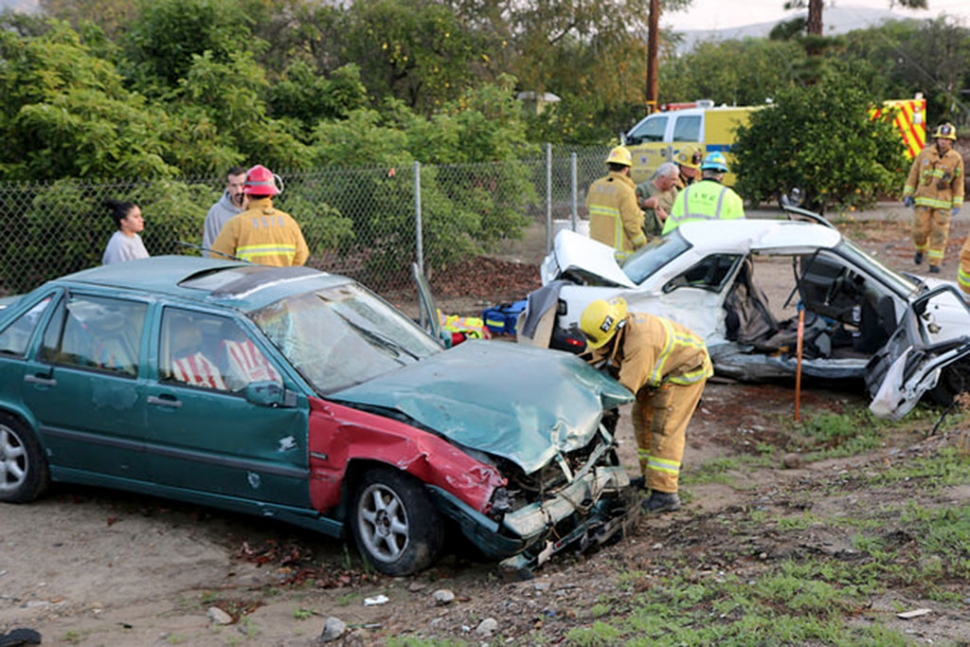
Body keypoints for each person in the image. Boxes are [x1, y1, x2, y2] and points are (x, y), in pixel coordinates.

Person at [580, 297, 711, 514]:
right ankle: (651, 477)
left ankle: (665, 494)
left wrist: (594, 408)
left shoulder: (641, 343)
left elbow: (625, 390)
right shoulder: (616, 329)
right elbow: (596, 355)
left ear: (616, 330)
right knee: (642, 419)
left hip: (685, 370)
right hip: (661, 371)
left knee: (665, 428)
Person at [211, 164, 310, 267]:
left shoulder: (236, 224)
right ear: (271, 194)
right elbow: (301, 255)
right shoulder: (289, 222)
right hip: (282, 281)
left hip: (248, 282)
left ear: (247, 194)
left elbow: (217, 257)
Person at [905, 122, 964, 275]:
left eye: (947, 139)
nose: (943, 142)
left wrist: (957, 202)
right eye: (941, 138)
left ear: (952, 141)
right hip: (923, 199)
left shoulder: (956, 159)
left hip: (944, 203)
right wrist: (908, 194)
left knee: (939, 234)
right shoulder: (924, 154)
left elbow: (958, 182)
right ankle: (920, 249)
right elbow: (913, 175)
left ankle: (934, 263)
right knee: (919, 231)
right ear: (936, 139)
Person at [662, 151, 745, 235]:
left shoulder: (685, 193)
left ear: (702, 172)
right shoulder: (732, 198)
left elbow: (670, 229)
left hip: (689, 245)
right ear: (722, 176)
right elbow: (739, 232)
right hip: (716, 246)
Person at [586, 145, 646, 260]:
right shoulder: (625, 190)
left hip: (596, 249)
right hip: (618, 254)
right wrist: (642, 244)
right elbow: (631, 224)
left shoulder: (595, 186)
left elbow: (588, 206)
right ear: (627, 169)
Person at [202, 166, 247, 257]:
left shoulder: (256, 210)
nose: (239, 190)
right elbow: (208, 247)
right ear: (228, 187)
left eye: (242, 185)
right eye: (234, 185)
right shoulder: (216, 213)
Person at [636, 162, 679, 237]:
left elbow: (679, 215)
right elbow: (631, 205)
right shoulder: (644, 189)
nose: (675, 183)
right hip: (648, 236)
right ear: (662, 177)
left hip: (668, 236)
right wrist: (645, 203)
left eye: (676, 180)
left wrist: (666, 217)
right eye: (672, 179)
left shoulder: (674, 192)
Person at [102, 199, 149, 265]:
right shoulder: (119, 243)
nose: (141, 220)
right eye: (136, 217)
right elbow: (116, 270)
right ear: (124, 222)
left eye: (140, 216)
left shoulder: (136, 237)